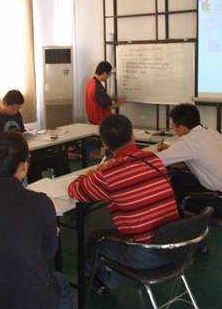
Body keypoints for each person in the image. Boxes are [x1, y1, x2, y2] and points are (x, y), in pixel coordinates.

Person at [67, 114, 179, 294]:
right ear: (132, 136)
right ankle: (107, 280)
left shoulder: (108, 174)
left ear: (104, 144)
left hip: (147, 256)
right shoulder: (153, 159)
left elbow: (74, 190)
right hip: (177, 246)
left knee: (96, 239)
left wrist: (89, 174)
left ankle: (97, 282)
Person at [0, 132, 73, 309]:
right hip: (28, 298)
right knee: (60, 281)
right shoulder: (40, 202)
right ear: (24, 166)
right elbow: (47, 254)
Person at [156, 103, 222, 205]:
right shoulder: (211, 132)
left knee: (173, 179)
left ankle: (177, 212)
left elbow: (156, 161)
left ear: (182, 127)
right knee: (179, 176)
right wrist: (172, 150)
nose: (174, 131)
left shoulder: (188, 142)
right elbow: (200, 154)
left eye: (173, 127)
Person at [85, 61, 124, 125]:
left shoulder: (91, 83)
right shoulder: (98, 88)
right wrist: (121, 102)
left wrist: (111, 97)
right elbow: (109, 107)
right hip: (101, 122)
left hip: (93, 120)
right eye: (109, 75)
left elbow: (97, 99)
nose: (108, 77)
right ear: (105, 73)